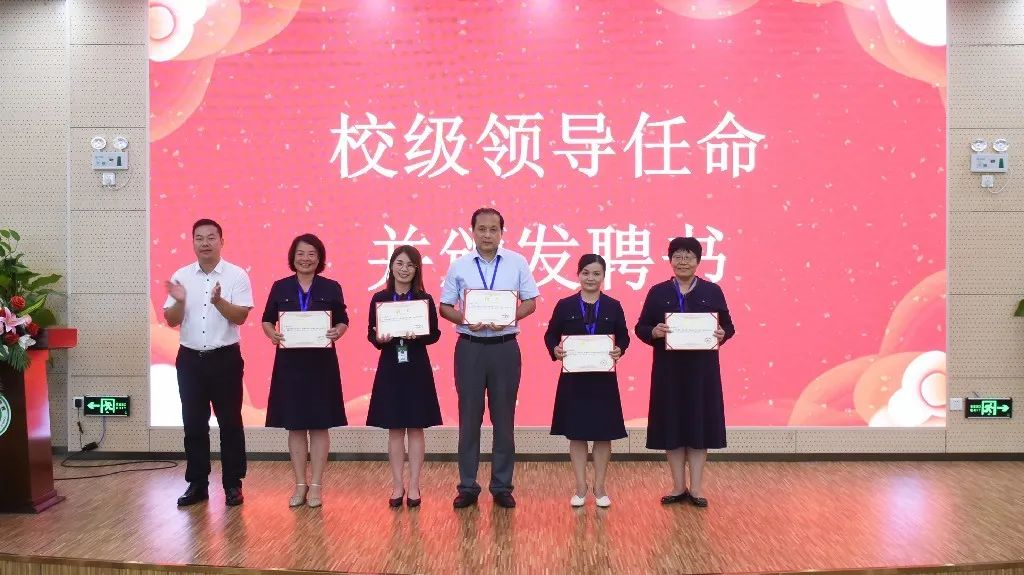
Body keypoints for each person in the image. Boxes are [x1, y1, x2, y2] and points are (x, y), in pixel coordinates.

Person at [439, 207, 540, 509]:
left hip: (504, 347)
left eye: (493, 229)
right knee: (469, 418)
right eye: (481, 229)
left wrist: (509, 316)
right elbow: (445, 307)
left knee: (504, 419)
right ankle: (468, 486)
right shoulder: (459, 266)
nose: (487, 234)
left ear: (501, 232)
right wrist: (465, 319)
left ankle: (501, 485)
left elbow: (531, 302)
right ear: (472, 231)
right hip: (470, 348)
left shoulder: (517, 262)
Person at [634, 237, 734, 508]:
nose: (683, 261)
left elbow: (728, 326)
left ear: (698, 261)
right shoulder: (657, 292)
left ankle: (697, 488)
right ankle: (678, 486)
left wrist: (722, 334)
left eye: (689, 256)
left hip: (703, 373)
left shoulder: (713, 291)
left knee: (699, 427)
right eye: (677, 256)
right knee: (673, 426)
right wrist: (653, 332)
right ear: (670, 260)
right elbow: (641, 327)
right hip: (669, 373)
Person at [164, 218, 253, 507]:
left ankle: (232, 484)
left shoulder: (236, 275)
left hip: (225, 359)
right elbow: (171, 320)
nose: (205, 243)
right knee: (193, 424)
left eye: (211, 237)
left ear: (221, 241)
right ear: (193, 242)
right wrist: (180, 301)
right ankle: (197, 484)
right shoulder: (181, 276)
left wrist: (218, 302)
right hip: (190, 360)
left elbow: (241, 316)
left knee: (230, 423)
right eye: (199, 238)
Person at [262, 233, 349, 508]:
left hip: (322, 365)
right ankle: (300, 484)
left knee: (320, 425)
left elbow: (343, 320)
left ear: (319, 258)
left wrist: (338, 331)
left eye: (312, 254)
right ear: (293, 256)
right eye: (301, 253)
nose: (306, 259)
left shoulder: (331, 287)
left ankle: (317, 485)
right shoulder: (280, 287)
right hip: (290, 366)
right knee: (296, 425)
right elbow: (266, 320)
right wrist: (272, 334)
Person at [544, 254, 629, 508]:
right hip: (574, 380)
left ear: (603, 276)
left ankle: (599, 487)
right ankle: (580, 487)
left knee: (604, 435)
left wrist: (620, 349)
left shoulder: (613, 305)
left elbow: (624, 336)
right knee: (577, 434)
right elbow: (550, 335)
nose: (591, 278)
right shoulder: (565, 305)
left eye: (596, 274)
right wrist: (555, 349)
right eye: (586, 273)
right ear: (578, 274)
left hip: (604, 380)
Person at [366, 245, 443, 508]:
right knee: (395, 429)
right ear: (391, 266)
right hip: (390, 366)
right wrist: (379, 338)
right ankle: (397, 485)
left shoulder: (424, 299)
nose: (404, 269)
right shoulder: (380, 298)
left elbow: (434, 334)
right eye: (399, 263)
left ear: (417, 269)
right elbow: (371, 333)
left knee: (416, 428)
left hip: (416, 367)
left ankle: (414, 485)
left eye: (410, 265)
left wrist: (419, 334)